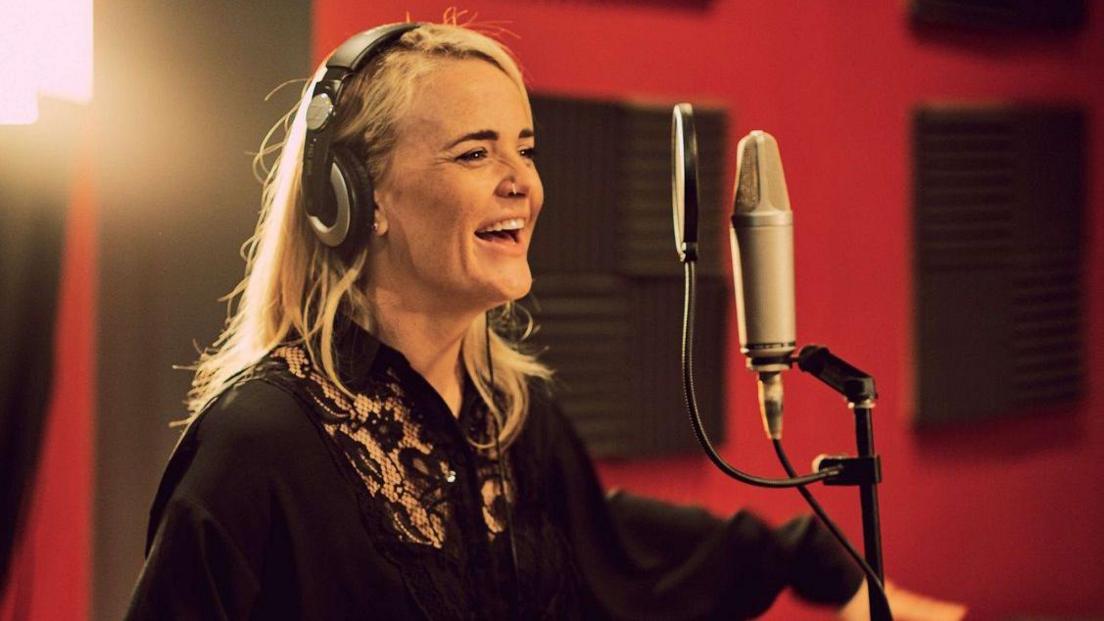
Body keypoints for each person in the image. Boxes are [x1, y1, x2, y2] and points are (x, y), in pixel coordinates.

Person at [126, 18, 966, 620]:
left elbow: (618, 548)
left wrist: (822, 565)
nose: (520, 180)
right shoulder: (260, 441)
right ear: (359, 199)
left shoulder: (516, 422)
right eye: (475, 151)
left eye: (523, 147)